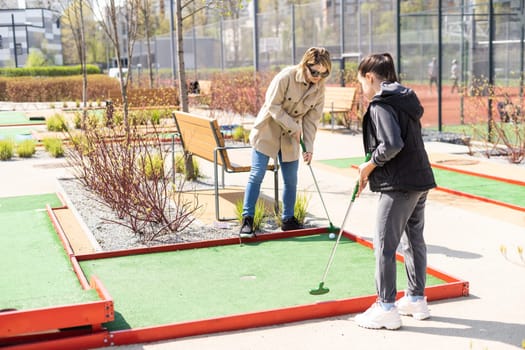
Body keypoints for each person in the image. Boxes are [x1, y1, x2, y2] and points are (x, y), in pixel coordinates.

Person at [353, 53, 437, 330]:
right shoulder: (404, 100)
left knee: (385, 245)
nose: (362, 89)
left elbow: (391, 144)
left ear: (369, 77)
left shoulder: (380, 104)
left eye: (360, 82)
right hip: (420, 180)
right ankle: (415, 298)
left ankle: (386, 306)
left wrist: (368, 165)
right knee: (414, 241)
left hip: (399, 185)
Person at [239, 47, 332, 238]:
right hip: (268, 130)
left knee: (291, 180)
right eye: (314, 72)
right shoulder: (286, 77)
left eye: (324, 74)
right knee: (256, 174)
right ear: (305, 64)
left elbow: (311, 121)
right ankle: (247, 220)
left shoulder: (319, 89)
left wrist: (309, 146)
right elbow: (272, 105)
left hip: (291, 136)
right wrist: (293, 126)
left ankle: (288, 220)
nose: (318, 77)